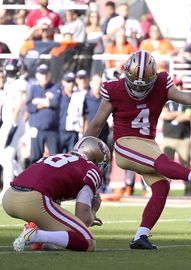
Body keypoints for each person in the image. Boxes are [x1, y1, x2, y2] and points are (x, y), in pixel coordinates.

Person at [84, 50, 191, 249]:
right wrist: (82, 149)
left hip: (147, 143)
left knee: (162, 186)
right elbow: (97, 124)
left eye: (143, 85)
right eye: (134, 83)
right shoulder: (113, 89)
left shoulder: (162, 82)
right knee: (160, 162)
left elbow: (186, 97)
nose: (138, 88)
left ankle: (140, 236)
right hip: (126, 143)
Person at [1, 136, 111, 252]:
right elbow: (82, 218)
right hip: (33, 200)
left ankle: (42, 238)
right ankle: (35, 236)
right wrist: (92, 211)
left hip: (9, 197)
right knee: (88, 242)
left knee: (52, 209)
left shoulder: (57, 157)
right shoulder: (91, 169)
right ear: (95, 158)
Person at [160, 77, 191, 196]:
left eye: (180, 85)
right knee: (165, 166)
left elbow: (188, 116)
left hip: (183, 139)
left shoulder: (188, 101)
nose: (178, 88)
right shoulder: (165, 100)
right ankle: (163, 190)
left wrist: (172, 116)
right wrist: (178, 114)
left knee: (185, 164)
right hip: (168, 138)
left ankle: (188, 190)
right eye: (176, 85)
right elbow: (164, 115)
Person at [0, 59, 29, 199]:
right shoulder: (10, 83)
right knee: (4, 158)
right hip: (9, 123)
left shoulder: (19, 84)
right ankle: (26, 180)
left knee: (7, 156)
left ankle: (7, 190)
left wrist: (12, 120)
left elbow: (19, 102)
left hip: (14, 124)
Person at [26, 64, 60, 165]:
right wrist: (46, 102)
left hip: (52, 130)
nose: (44, 76)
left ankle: (55, 180)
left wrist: (37, 101)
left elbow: (55, 103)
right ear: (37, 75)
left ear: (49, 74)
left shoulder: (55, 87)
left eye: (46, 73)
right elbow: (30, 107)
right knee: (35, 159)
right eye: (41, 74)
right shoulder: (33, 89)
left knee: (56, 160)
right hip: (37, 129)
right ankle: (34, 180)